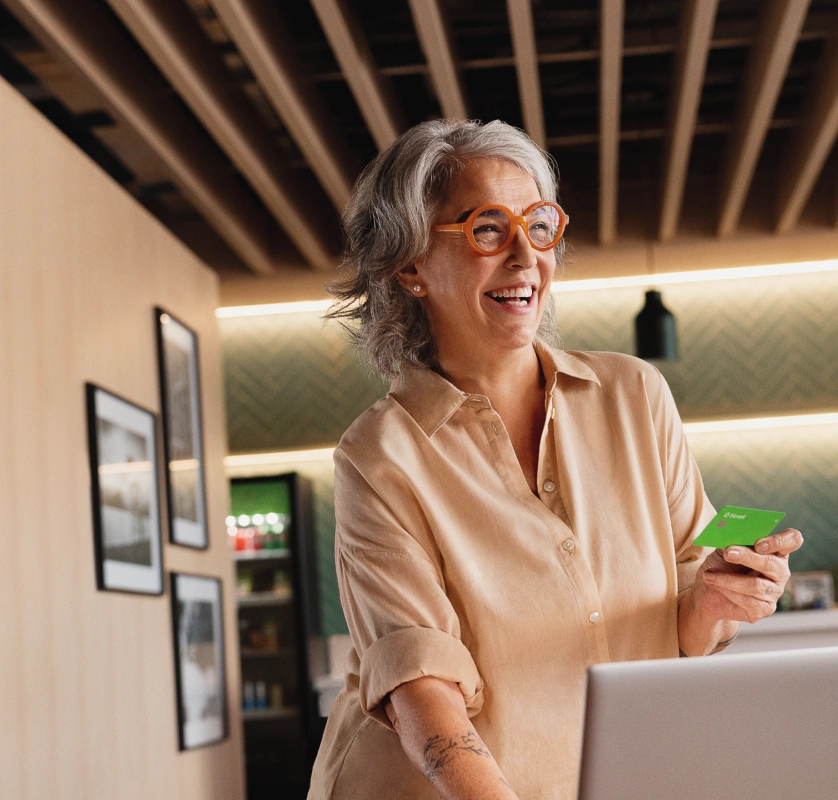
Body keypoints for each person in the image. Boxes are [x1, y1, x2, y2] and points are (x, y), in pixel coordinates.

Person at [308, 119, 804, 800]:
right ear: (411, 266)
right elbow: (420, 687)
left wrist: (719, 593)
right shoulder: (378, 455)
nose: (524, 256)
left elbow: (692, 589)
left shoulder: (635, 393)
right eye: (486, 228)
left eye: (538, 226)